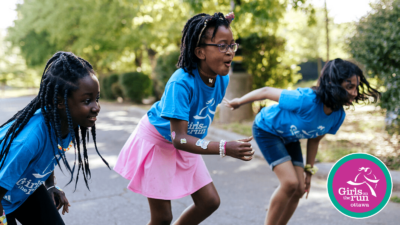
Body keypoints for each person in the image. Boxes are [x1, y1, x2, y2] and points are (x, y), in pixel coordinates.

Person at [114, 12, 254, 225]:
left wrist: (217, 27)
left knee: (209, 202)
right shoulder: (180, 83)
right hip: (160, 141)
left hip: (185, 140)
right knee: (162, 218)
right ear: (200, 52)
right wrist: (224, 147)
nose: (230, 53)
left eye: (232, 45)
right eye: (222, 46)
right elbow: (177, 138)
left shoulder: (220, 78)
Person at [223, 58, 380, 225]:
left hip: (291, 137)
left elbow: (315, 138)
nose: (355, 93)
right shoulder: (306, 99)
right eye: (350, 87)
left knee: (299, 189)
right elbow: (266, 91)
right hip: (267, 130)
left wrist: (309, 171)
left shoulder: (338, 115)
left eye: (356, 87)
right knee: (290, 183)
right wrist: (239, 102)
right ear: (333, 84)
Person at [0, 51, 109, 225]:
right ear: (60, 102)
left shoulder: (68, 123)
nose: (96, 107)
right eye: (87, 101)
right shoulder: (28, 141)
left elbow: (45, 156)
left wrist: (51, 184)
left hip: (20, 191)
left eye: (96, 98)